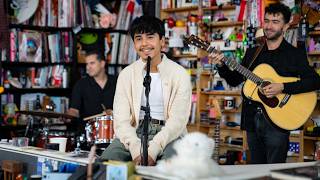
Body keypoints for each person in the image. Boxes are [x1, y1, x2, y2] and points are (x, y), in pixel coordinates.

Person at [208, 3, 320, 164]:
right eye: (266, 21)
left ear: (286, 26)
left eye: (275, 22)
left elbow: (315, 81)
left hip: (278, 122)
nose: (269, 26)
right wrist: (220, 64)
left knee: (274, 171)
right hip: (252, 120)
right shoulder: (253, 53)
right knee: (255, 170)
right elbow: (234, 80)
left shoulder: (294, 54)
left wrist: (282, 87)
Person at [101, 15, 192, 166]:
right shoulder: (126, 74)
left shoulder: (179, 74)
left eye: (150, 37)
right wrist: (137, 151)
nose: (144, 44)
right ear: (134, 43)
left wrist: (153, 150)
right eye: (138, 38)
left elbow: (178, 121)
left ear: (162, 41)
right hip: (133, 133)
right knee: (104, 166)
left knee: (172, 168)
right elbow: (121, 121)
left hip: (170, 134)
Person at [68, 50, 117, 125]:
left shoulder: (118, 82)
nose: (88, 67)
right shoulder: (81, 84)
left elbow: (129, 108)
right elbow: (74, 110)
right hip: (88, 130)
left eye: (92, 63)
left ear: (102, 63)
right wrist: (67, 116)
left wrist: (114, 112)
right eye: (87, 64)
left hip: (114, 129)